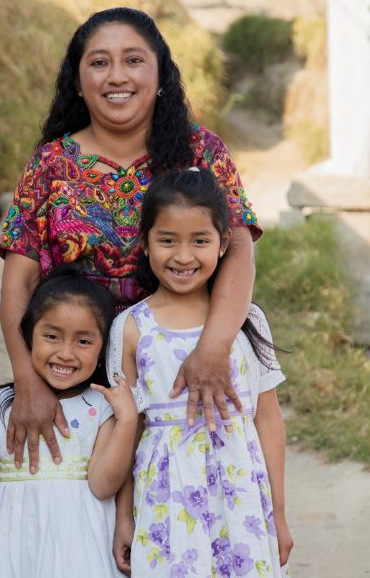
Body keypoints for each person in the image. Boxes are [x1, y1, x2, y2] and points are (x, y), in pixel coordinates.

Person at [0, 7, 263, 480]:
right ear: (77, 82)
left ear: (160, 74)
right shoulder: (50, 165)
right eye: (99, 63)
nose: (116, 75)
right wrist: (27, 380)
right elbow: (20, 278)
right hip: (79, 378)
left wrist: (213, 348)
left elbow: (239, 250)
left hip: (182, 370)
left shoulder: (202, 153)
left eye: (133, 60)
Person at [107, 168, 292, 576]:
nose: (184, 256)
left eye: (200, 240)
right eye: (167, 240)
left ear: (224, 243)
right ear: (145, 242)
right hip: (165, 502)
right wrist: (123, 517)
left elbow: (268, 418)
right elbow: (126, 428)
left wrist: (277, 513)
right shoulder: (133, 328)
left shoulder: (246, 322)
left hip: (242, 499)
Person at [0, 265, 139, 578]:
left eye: (83, 342)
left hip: (83, 556)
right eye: (51, 336)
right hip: (13, 552)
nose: (65, 353)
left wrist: (127, 420)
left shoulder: (101, 407)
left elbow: (103, 485)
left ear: (103, 351)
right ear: (29, 336)